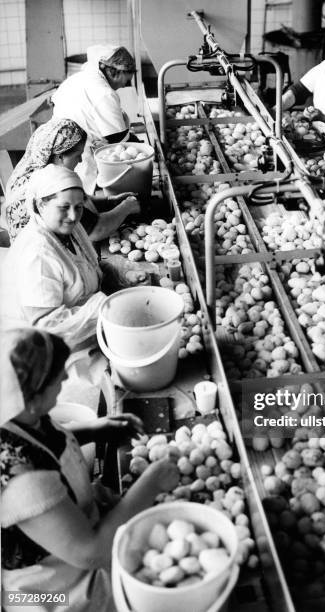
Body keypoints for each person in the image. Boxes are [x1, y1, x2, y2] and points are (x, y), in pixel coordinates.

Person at [1, 327, 180, 612]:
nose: (65, 377)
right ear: (32, 399)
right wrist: (152, 483)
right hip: (47, 592)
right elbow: (91, 552)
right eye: (55, 377)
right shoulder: (19, 478)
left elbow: (47, 440)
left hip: (69, 551)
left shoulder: (17, 415)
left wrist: (93, 430)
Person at [2, 165, 107, 349]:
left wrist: (113, 275)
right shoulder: (38, 254)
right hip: (44, 351)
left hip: (81, 330)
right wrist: (103, 309)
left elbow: (84, 266)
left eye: (79, 207)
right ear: (41, 205)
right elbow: (46, 326)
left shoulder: (67, 229)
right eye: (64, 207)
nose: (73, 216)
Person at [4, 117, 140, 242]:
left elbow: (80, 201)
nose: (80, 160)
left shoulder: (31, 168)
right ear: (59, 157)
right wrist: (126, 207)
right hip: (43, 257)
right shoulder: (48, 185)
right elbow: (96, 230)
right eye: (77, 155)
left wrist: (110, 201)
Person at [52, 45, 139, 193]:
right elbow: (117, 140)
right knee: (80, 194)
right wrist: (139, 145)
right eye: (126, 81)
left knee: (65, 188)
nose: (123, 86)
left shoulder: (79, 78)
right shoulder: (105, 93)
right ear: (116, 72)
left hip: (59, 145)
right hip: (79, 153)